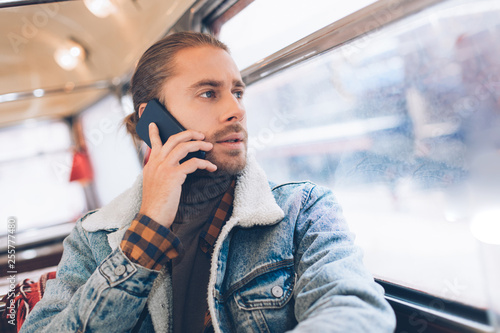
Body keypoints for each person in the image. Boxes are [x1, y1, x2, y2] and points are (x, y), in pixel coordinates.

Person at [21, 31, 396, 333]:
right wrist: (146, 235)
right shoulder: (93, 237)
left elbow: (355, 312)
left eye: (237, 92)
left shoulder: (302, 210)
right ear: (153, 119)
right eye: (208, 93)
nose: (237, 109)